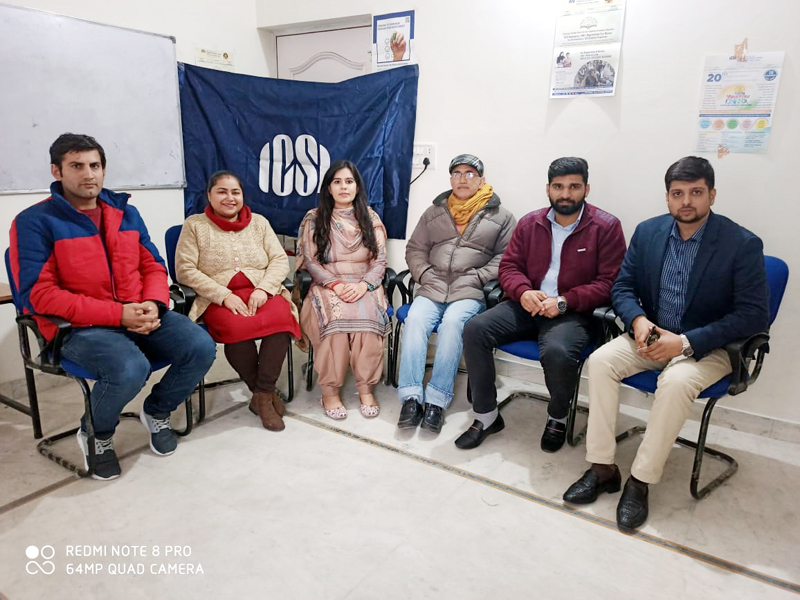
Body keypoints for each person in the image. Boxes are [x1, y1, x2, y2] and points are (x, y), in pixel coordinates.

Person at [563, 156, 769, 530]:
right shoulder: (648, 232)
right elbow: (622, 287)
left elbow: (753, 315)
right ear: (668, 197)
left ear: (712, 195)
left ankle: (640, 482)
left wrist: (686, 342)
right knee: (601, 361)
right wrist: (639, 321)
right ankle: (602, 466)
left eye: (696, 193)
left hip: (708, 347)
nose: (686, 201)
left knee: (674, 383)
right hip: (651, 335)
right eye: (678, 194)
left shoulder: (741, 244)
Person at [9, 133, 217, 481]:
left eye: (95, 165)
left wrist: (153, 302)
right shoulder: (34, 222)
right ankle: (97, 433)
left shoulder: (125, 212)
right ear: (56, 171)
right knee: (129, 368)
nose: (88, 174)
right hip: (77, 328)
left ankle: (158, 411)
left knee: (200, 345)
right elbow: (39, 296)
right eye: (76, 166)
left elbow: (152, 265)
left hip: (137, 311)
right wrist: (118, 314)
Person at [457, 157, 626, 451]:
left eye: (574, 187)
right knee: (475, 329)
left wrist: (564, 301)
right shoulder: (530, 222)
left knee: (558, 351)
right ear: (548, 189)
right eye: (558, 187)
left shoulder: (606, 227)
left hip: (573, 314)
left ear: (586, 189)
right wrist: (522, 292)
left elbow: (610, 283)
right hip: (528, 305)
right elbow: (509, 267)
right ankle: (486, 415)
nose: (565, 194)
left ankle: (558, 417)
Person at [397, 154, 516, 434]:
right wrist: (424, 274)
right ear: (450, 179)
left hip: (469, 291)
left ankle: (436, 402)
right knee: (414, 322)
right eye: (457, 174)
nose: (463, 179)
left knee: (452, 326)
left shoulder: (502, 216)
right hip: (432, 285)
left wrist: (477, 276)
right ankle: (411, 398)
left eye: (470, 174)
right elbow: (414, 249)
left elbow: (507, 258)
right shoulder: (434, 211)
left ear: (482, 180)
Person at [175, 171, 301, 432]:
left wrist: (264, 289)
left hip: (260, 291)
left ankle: (262, 395)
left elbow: (279, 260)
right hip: (218, 297)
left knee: (282, 320)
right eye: (222, 191)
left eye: (235, 192)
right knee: (236, 328)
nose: (230, 198)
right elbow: (185, 269)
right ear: (209, 195)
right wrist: (223, 295)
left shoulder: (259, 223)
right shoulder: (195, 225)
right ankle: (264, 396)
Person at [298, 160, 390, 420]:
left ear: (357, 187)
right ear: (329, 188)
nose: (343, 187)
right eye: (337, 182)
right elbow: (311, 261)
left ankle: (365, 388)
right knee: (334, 321)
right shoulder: (314, 219)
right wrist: (336, 284)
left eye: (349, 181)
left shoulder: (370, 218)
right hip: (327, 283)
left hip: (365, 282)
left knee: (368, 321)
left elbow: (379, 261)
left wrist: (363, 285)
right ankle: (329, 391)